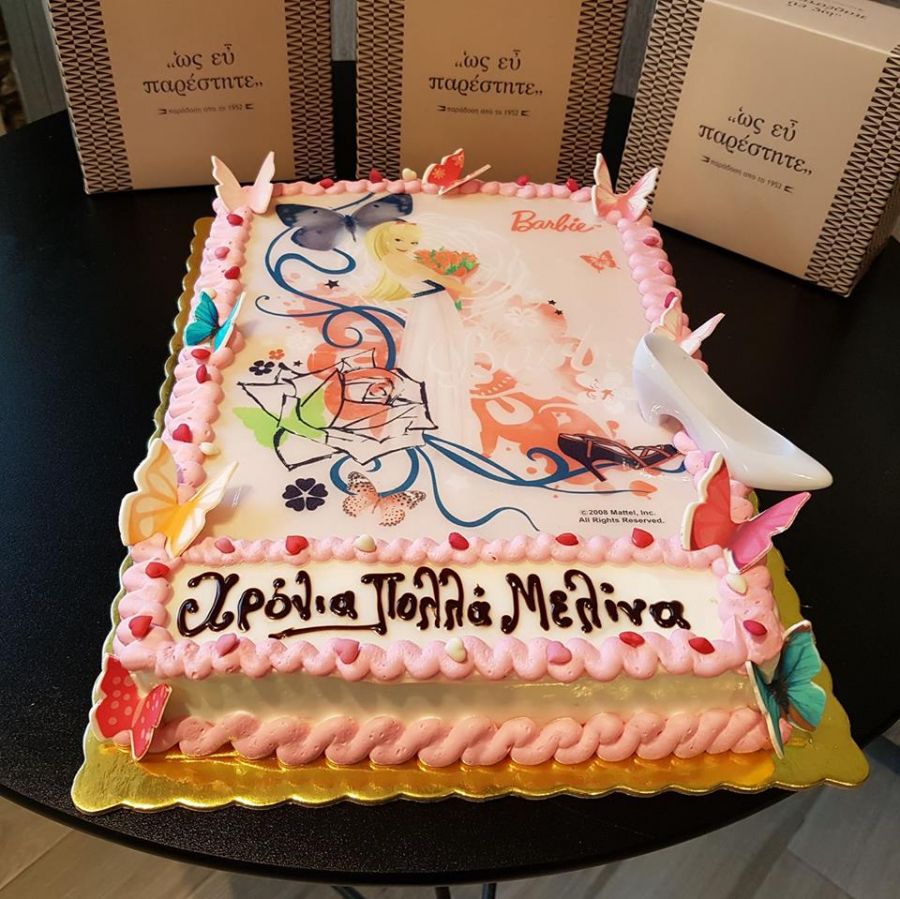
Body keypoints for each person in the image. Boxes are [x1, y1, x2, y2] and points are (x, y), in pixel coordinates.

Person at [365, 220, 481, 447]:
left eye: (413, 242)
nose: (406, 245)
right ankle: (440, 425)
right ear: (385, 239)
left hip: (433, 306)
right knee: (436, 357)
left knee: (437, 356)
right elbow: (437, 278)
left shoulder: (400, 259)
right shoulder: (395, 259)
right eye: (399, 239)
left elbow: (435, 278)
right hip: (431, 308)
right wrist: (461, 282)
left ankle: (439, 421)